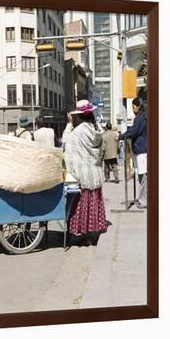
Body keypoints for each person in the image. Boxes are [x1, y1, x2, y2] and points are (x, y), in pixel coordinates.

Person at [63, 100, 107, 245]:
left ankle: (80, 234)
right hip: (95, 176)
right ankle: (90, 234)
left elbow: (65, 145)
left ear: (79, 116)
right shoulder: (96, 130)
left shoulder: (78, 132)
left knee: (81, 207)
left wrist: (69, 125)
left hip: (83, 177)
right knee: (92, 206)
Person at [119, 97, 147, 208]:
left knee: (143, 176)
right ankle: (142, 199)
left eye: (133, 106)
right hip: (140, 150)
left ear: (138, 106)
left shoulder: (140, 118)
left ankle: (143, 200)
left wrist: (121, 136)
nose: (132, 108)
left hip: (141, 151)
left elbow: (133, 131)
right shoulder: (141, 117)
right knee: (141, 176)